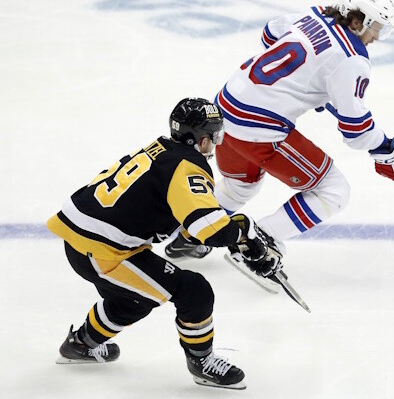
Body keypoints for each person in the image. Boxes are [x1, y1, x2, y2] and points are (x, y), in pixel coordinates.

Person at [46, 98, 282, 389]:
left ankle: (81, 344)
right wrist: (243, 233)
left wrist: (230, 231)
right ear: (201, 138)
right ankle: (202, 361)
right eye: (214, 135)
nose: (215, 143)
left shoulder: (161, 148)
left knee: (135, 299)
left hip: (84, 240)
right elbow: (208, 230)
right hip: (104, 251)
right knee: (193, 290)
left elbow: (179, 212)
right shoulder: (188, 166)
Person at [165, 0, 394, 261]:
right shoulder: (353, 58)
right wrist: (388, 149)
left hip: (224, 108)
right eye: (375, 26)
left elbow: (270, 34)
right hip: (256, 128)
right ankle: (258, 242)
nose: (376, 36)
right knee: (333, 191)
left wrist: (309, 82)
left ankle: (190, 236)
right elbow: (356, 129)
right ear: (357, 20)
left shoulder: (318, 14)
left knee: (240, 185)